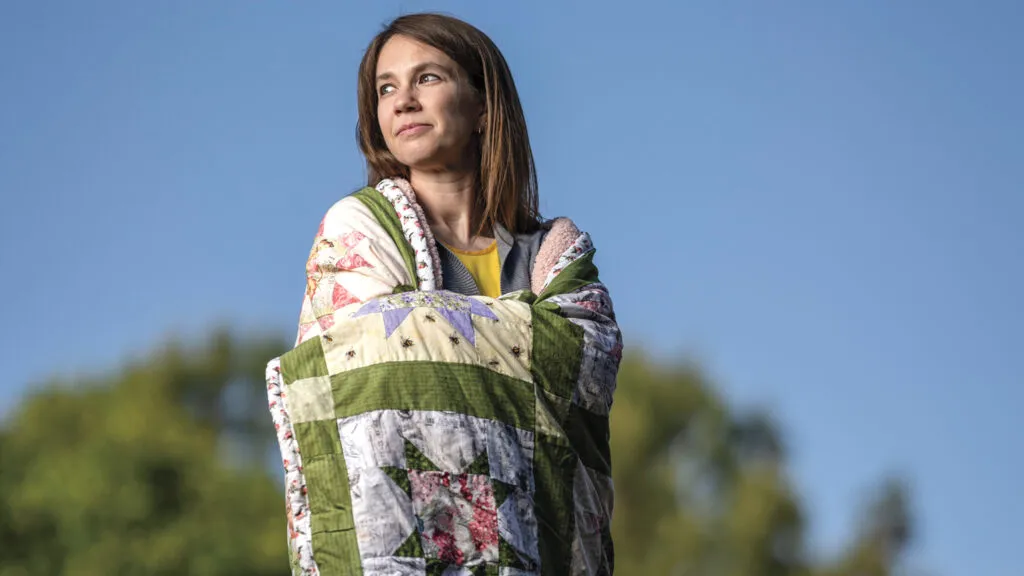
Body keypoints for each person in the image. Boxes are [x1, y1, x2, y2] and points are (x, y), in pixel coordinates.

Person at [268, 12, 622, 575]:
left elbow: (582, 356)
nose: (403, 100)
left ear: (483, 105)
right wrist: (519, 331)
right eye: (386, 88)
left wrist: (429, 322)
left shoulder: (550, 251)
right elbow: (369, 374)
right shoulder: (359, 229)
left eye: (427, 78)